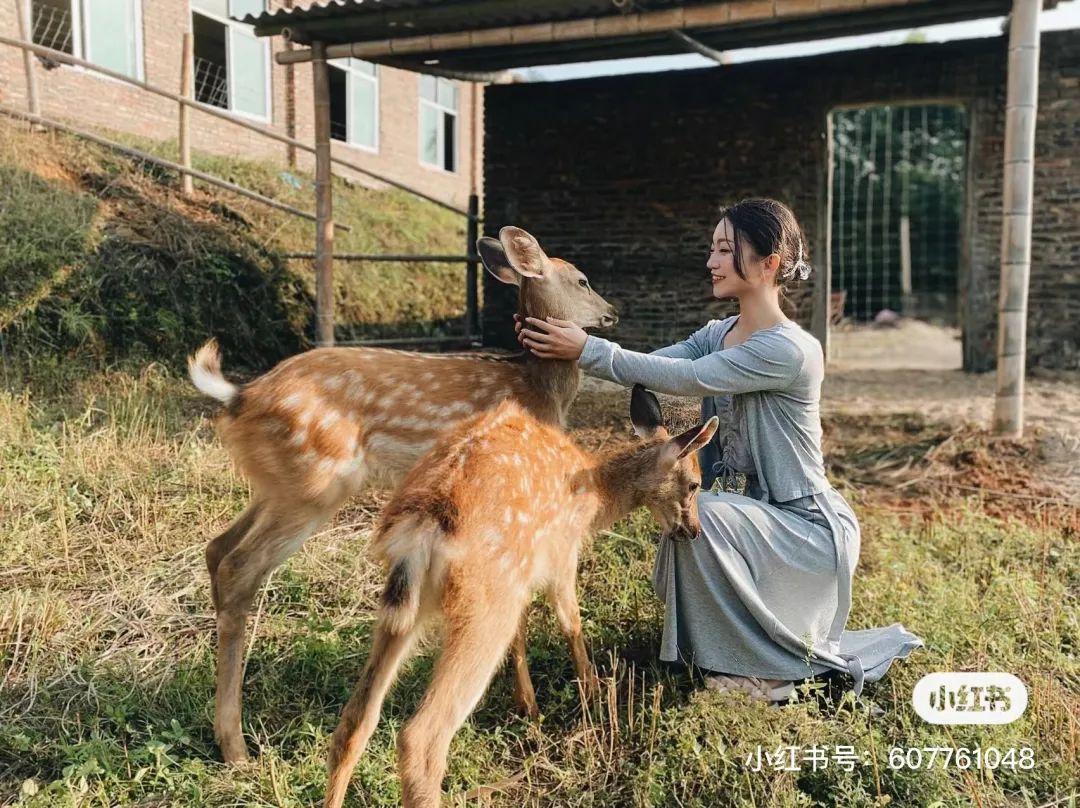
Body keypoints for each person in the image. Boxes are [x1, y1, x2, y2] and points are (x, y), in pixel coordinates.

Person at [518, 198, 921, 702]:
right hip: (753, 519)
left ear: (769, 263)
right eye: (712, 248)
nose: (711, 261)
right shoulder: (718, 335)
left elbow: (688, 378)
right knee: (691, 520)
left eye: (726, 249)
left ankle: (772, 675)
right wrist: (556, 354)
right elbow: (652, 366)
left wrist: (588, 349)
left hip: (806, 530)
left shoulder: (790, 350)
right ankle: (734, 652)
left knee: (700, 516)